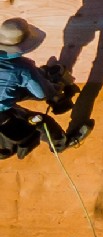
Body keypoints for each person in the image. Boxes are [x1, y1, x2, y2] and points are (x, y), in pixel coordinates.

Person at [0, 18, 90, 156]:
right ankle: (61, 144)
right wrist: (56, 91)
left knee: (13, 90)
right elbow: (42, 93)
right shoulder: (22, 68)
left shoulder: (21, 69)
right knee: (42, 122)